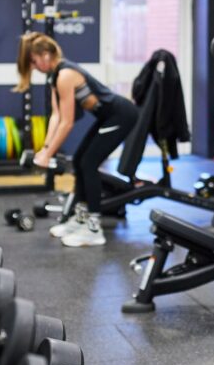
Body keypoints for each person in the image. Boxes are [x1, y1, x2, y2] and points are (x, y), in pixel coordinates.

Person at [16, 32, 139, 247]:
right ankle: (80, 218)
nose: (34, 67)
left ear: (45, 55)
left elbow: (67, 122)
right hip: (107, 116)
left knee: (89, 163)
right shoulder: (55, 76)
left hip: (122, 115)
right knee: (81, 161)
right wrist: (45, 149)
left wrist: (48, 153)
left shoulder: (65, 75)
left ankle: (93, 228)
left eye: (34, 62)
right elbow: (56, 116)